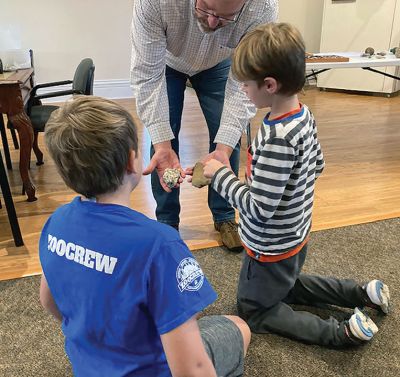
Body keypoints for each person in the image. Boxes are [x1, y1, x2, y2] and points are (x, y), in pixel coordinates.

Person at [202, 22, 391, 347]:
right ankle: (361, 293)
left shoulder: (276, 137)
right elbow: (318, 165)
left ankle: (340, 332)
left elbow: (260, 208)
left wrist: (219, 177)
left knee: (254, 309)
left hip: (269, 245)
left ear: (270, 85)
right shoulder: (303, 115)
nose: (243, 90)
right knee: (288, 284)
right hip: (296, 235)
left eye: (246, 84)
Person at [39, 96, 251, 376]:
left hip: (89, 366)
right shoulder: (160, 244)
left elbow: (49, 301)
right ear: (131, 160)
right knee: (239, 327)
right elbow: (192, 369)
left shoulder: (56, 223)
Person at [130, 0, 278, 251]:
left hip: (219, 63)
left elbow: (243, 87)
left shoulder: (262, 8)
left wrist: (223, 148)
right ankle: (167, 222)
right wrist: (162, 144)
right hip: (166, 62)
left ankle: (224, 217)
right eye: (206, 9)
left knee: (227, 136)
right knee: (163, 141)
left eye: (225, 17)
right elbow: (147, 76)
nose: (212, 22)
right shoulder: (154, 2)